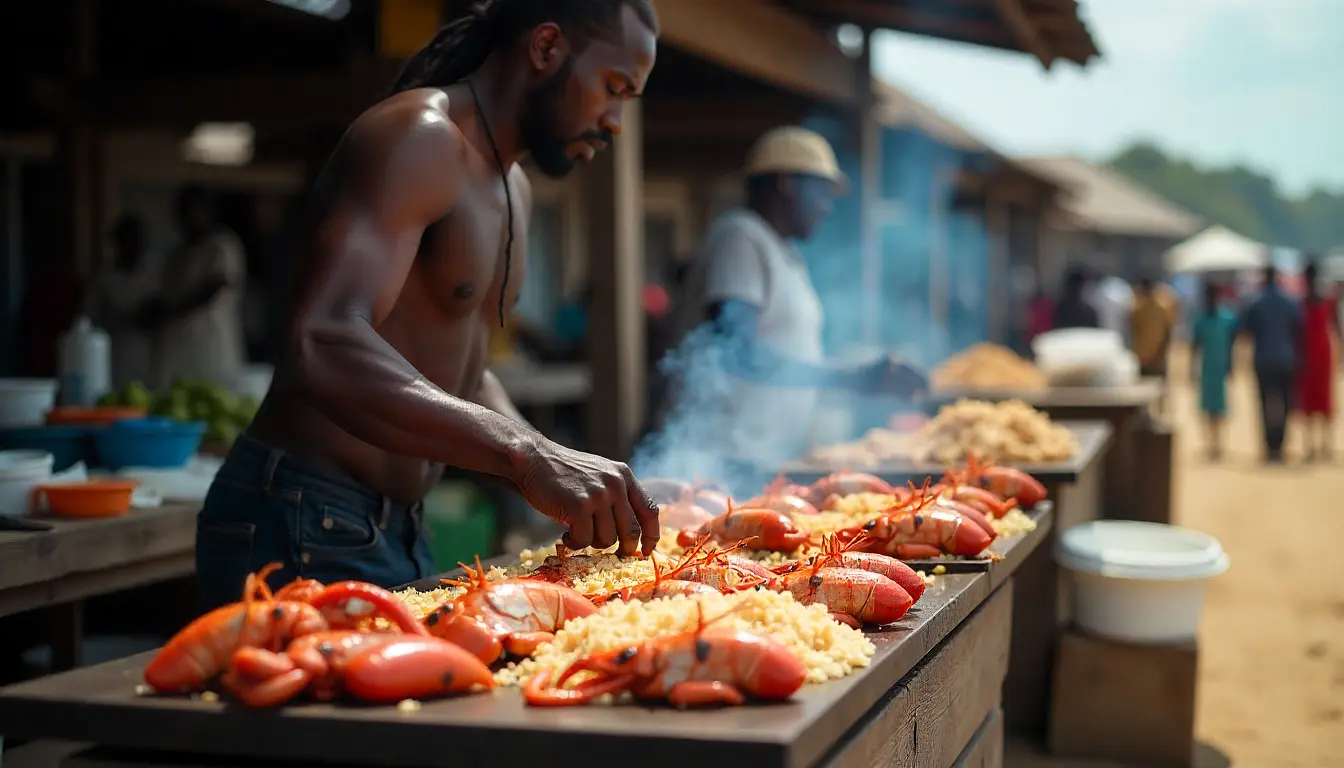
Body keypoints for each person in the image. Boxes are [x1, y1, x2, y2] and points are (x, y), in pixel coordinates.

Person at [192, 0, 663, 610]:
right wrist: (527, 454)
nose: (616, 121)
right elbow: (321, 338)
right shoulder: (421, 137)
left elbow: (462, 372)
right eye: (614, 87)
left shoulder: (512, 185)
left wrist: (563, 466)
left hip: (396, 526)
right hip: (301, 516)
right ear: (546, 48)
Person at [651, 126, 925, 486]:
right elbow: (738, 350)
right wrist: (852, 378)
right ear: (786, 184)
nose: (828, 208)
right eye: (823, 193)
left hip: (761, 458)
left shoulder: (784, 252)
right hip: (719, 460)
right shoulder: (741, 236)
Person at [143, 186, 248, 389]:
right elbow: (163, 293)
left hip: (210, 344)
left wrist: (173, 310)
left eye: (192, 210)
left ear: (207, 211)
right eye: (181, 211)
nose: (185, 217)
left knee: (213, 396)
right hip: (177, 346)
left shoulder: (221, 245)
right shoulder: (177, 254)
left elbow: (214, 286)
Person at [1240, 264, 1303, 463]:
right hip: (1285, 359)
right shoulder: (1290, 302)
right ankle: (1280, 446)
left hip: (1264, 360)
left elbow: (1247, 331)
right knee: (1285, 404)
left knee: (1264, 404)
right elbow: (1298, 329)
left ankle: (1269, 446)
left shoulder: (1256, 303)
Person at [93, 216, 158, 388]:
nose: (134, 247)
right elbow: (90, 318)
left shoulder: (154, 276)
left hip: (149, 355)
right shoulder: (105, 279)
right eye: (128, 241)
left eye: (138, 241)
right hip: (115, 352)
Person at [1189, 279, 1239, 460]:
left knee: (1219, 406)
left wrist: (1231, 366)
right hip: (1207, 366)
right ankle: (1210, 443)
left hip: (1220, 365)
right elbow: (1194, 346)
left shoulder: (1226, 318)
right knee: (1207, 407)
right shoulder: (1201, 319)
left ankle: (1218, 443)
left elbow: (1232, 344)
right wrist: (1191, 369)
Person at [1295, 261, 1338, 460]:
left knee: (1320, 400)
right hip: (1314, 353)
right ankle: (1317, 445)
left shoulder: (1311, 301)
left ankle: (1319, 445)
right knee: (1316, 400)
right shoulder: (1313, 301)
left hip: (1315, 353)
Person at [1130, 275, 1178, 414]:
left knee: (1144, 389)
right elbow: (1168, 330)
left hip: (1143, 355)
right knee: (1160, 389)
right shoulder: (1162, 305)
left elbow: (1134, 330)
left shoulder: (1137, 307)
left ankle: (1149, 417)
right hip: (1157, 354)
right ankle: (1159, 415)